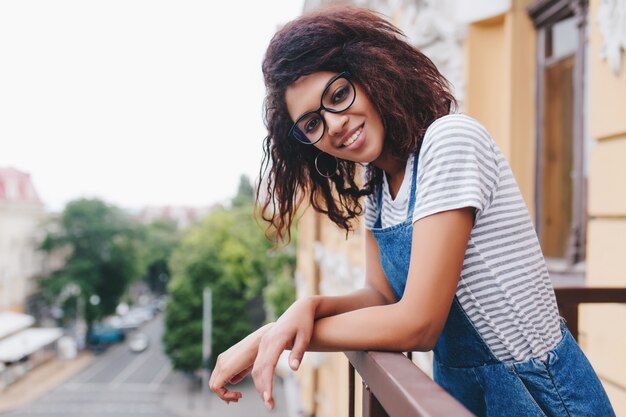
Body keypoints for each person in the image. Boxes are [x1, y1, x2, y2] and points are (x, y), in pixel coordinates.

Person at [209, 6, 615, 417]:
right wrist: (305, 307)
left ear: (373, 72)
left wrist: (272, 338)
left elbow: (419, 322)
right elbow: (381, 296)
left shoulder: (450, 141)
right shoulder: (380, 186)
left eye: (337, 95)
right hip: (461, 393)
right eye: (312, 123)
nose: (331, 125)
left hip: (539, 395)